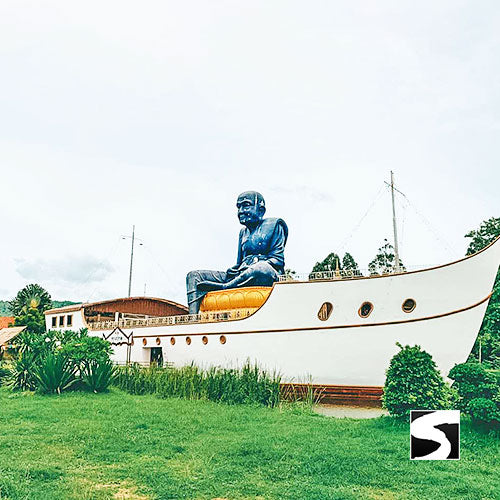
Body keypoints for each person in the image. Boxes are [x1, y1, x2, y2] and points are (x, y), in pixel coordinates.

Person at [186, 191, 288, 314]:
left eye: (245, 205)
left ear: (261, 210)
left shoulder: (274, 225)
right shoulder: (243, 233)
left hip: (264, 275)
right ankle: (192, 318)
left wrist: (254, 264)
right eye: (238, 207)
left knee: (261, 268)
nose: (240, 211)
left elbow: (278, 260)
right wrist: (234, 270)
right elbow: (239, 263)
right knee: (194, 276)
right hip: (242, 275)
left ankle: (225, 287)